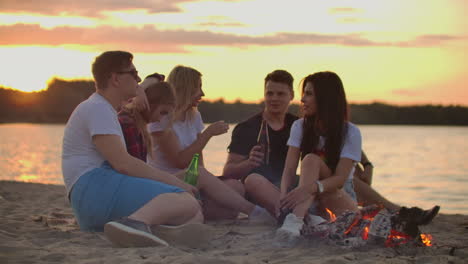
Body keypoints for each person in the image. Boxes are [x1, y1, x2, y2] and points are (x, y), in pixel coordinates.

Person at [62, 51, 203, 248]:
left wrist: (141, 87)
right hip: (93, 191)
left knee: (193, 212)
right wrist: (176, 183)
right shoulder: (98, 108)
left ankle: (153, 229)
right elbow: (124, 164)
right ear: (115, 79)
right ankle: (134, 223)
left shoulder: (102, 108)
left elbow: (123, 165)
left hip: (92, 198)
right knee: (186, 200)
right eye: (134, 73)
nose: (138, 79)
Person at [146, 65, 275, 223]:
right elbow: (179, 161)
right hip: (165, 181)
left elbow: (197, 158)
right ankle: (254, 212)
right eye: (198, 87)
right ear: (186, 89)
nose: (202, 93)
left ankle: (196, 210)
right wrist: (209, 133)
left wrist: (205, 186)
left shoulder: (193, 116)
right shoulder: (162, 120)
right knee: (201, 174)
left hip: (190, 180)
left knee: (237, 187)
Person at [222, 69, 298, 217]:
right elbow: (228, 172)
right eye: (269, 93)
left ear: (292, 95)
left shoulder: (298, 125)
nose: (274, 98)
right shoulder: (246, 128)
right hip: (259, 189)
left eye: (280, 94)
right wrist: (249, 163)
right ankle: (292, 216)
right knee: (253, 180)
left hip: (288, 185)